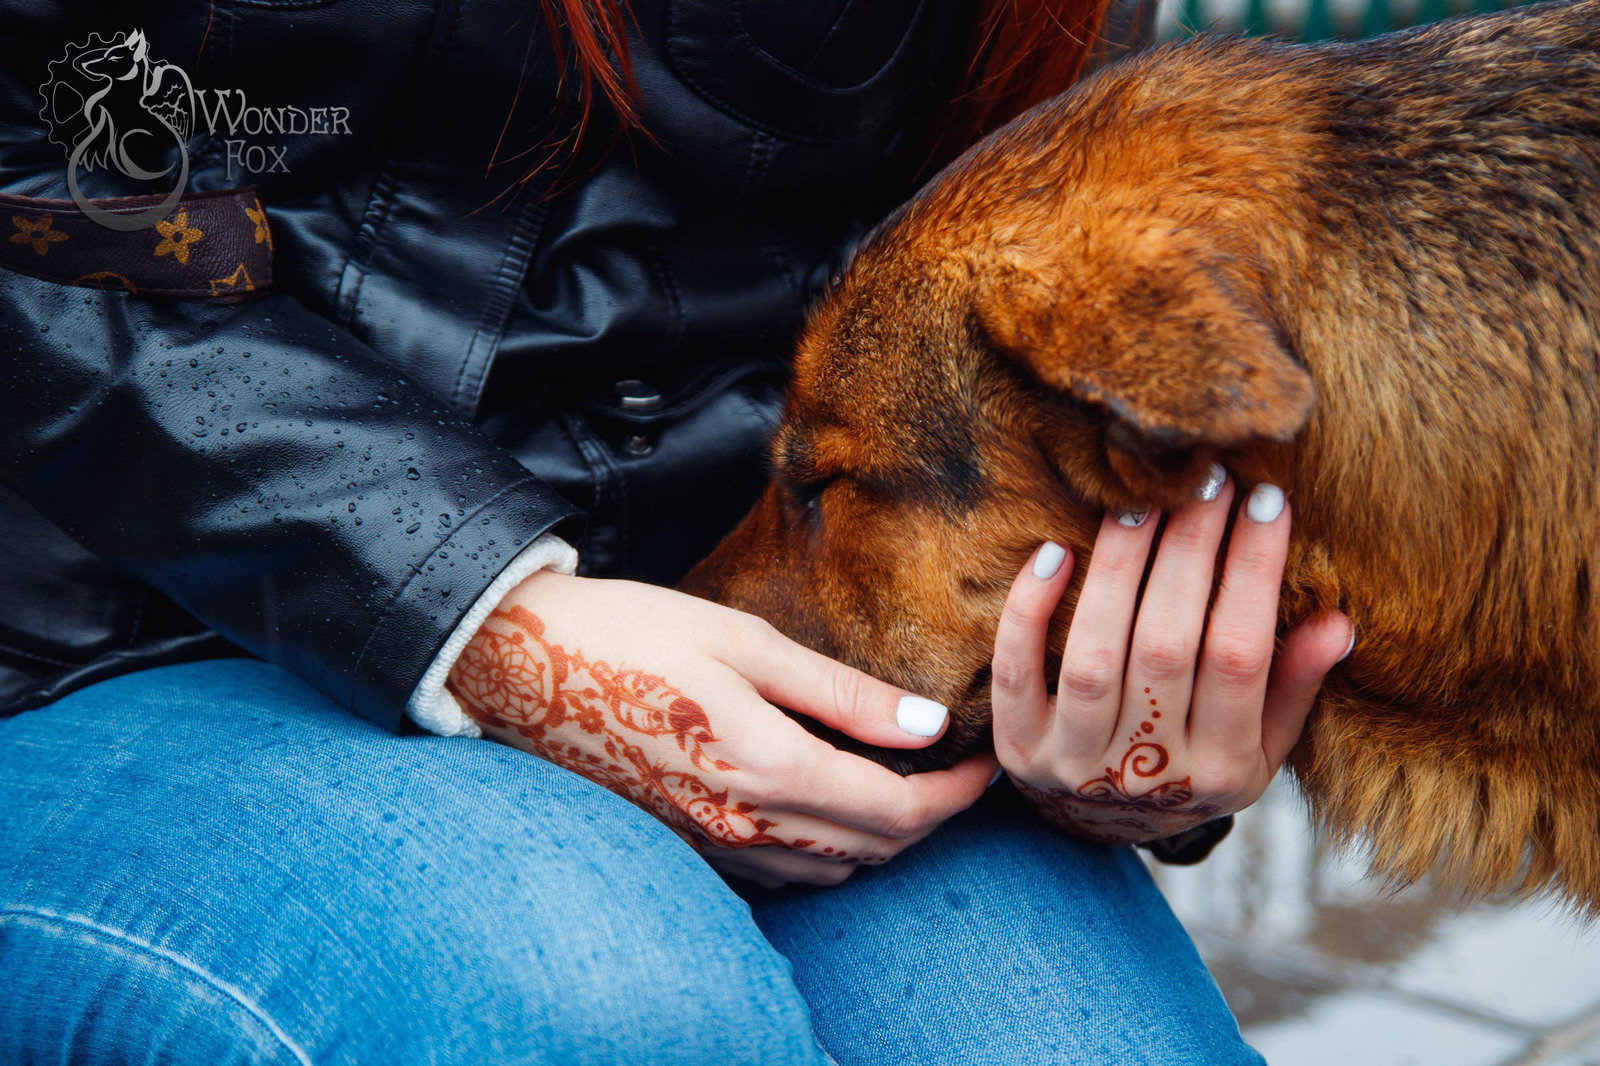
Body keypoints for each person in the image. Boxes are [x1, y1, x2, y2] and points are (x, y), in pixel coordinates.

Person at [0, 1, 1352, 1062]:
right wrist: (479, 607)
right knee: (608, 1006)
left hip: (760, 650)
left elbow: (1012, 348)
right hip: (98, 628)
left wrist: (1082, 714)